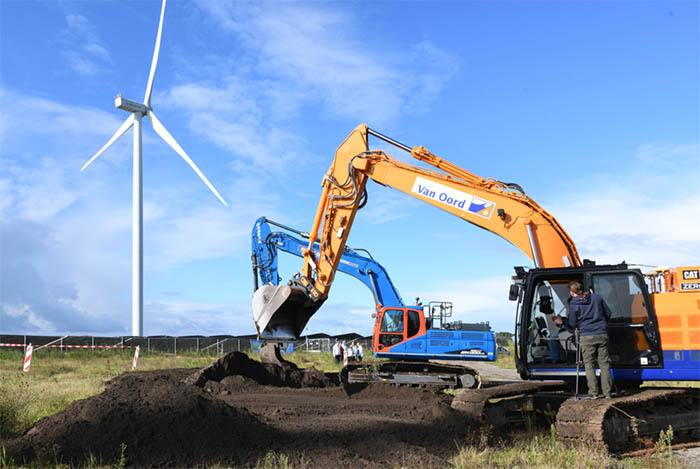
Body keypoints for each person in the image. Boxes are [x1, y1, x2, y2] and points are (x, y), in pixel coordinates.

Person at [554, 280, 615, 399]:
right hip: (602, 333)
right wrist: (601, 324)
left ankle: (594, 392)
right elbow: (608, 313)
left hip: (586, 336)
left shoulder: (574, 304)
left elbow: (572, 325)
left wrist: (562, 322)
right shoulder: (597, 298)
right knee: (604, 364)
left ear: (572, 292)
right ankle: (608, 393)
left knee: (589, 364)